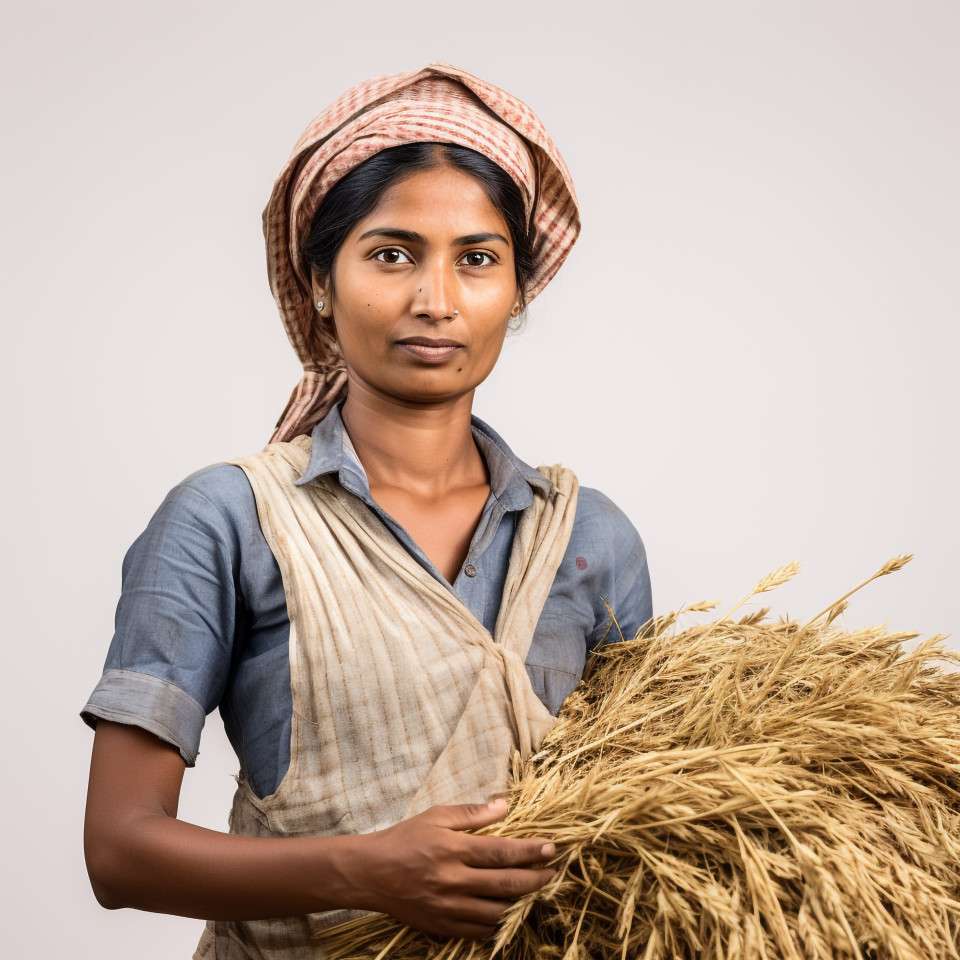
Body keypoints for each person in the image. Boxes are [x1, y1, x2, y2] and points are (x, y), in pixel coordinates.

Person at [81, 62, 652, 959]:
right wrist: (363, 871)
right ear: (320, 283)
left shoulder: (586, 536)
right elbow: (118, 851)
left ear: (519, 290)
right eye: (391, 254)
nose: (437, 301)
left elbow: (648, 812)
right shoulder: (230, 519)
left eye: (477, 260)